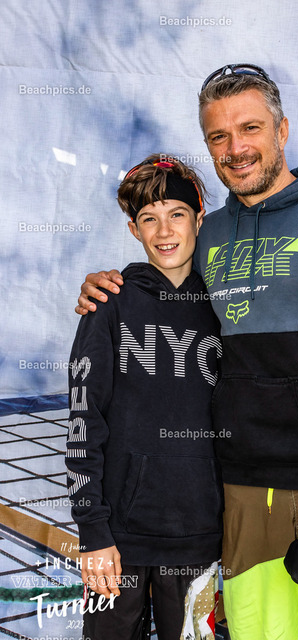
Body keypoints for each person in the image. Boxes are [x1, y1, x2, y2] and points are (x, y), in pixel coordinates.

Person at [74, 65, 298, 639]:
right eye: (218, 136)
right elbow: (164, 283)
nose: (235, 149)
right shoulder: (210, 235)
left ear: (282, 130)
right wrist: (107, 286)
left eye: (250, 128)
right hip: (242, 500)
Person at [66, 154, 223, 640]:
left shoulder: (227, 305)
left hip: (200, 539)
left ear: (199, 218)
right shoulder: (108, 304)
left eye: (177, 214)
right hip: (118, 540)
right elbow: (83, 422)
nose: (164, 231)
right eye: (149, 219)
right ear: (134, 230)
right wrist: (93, 531)